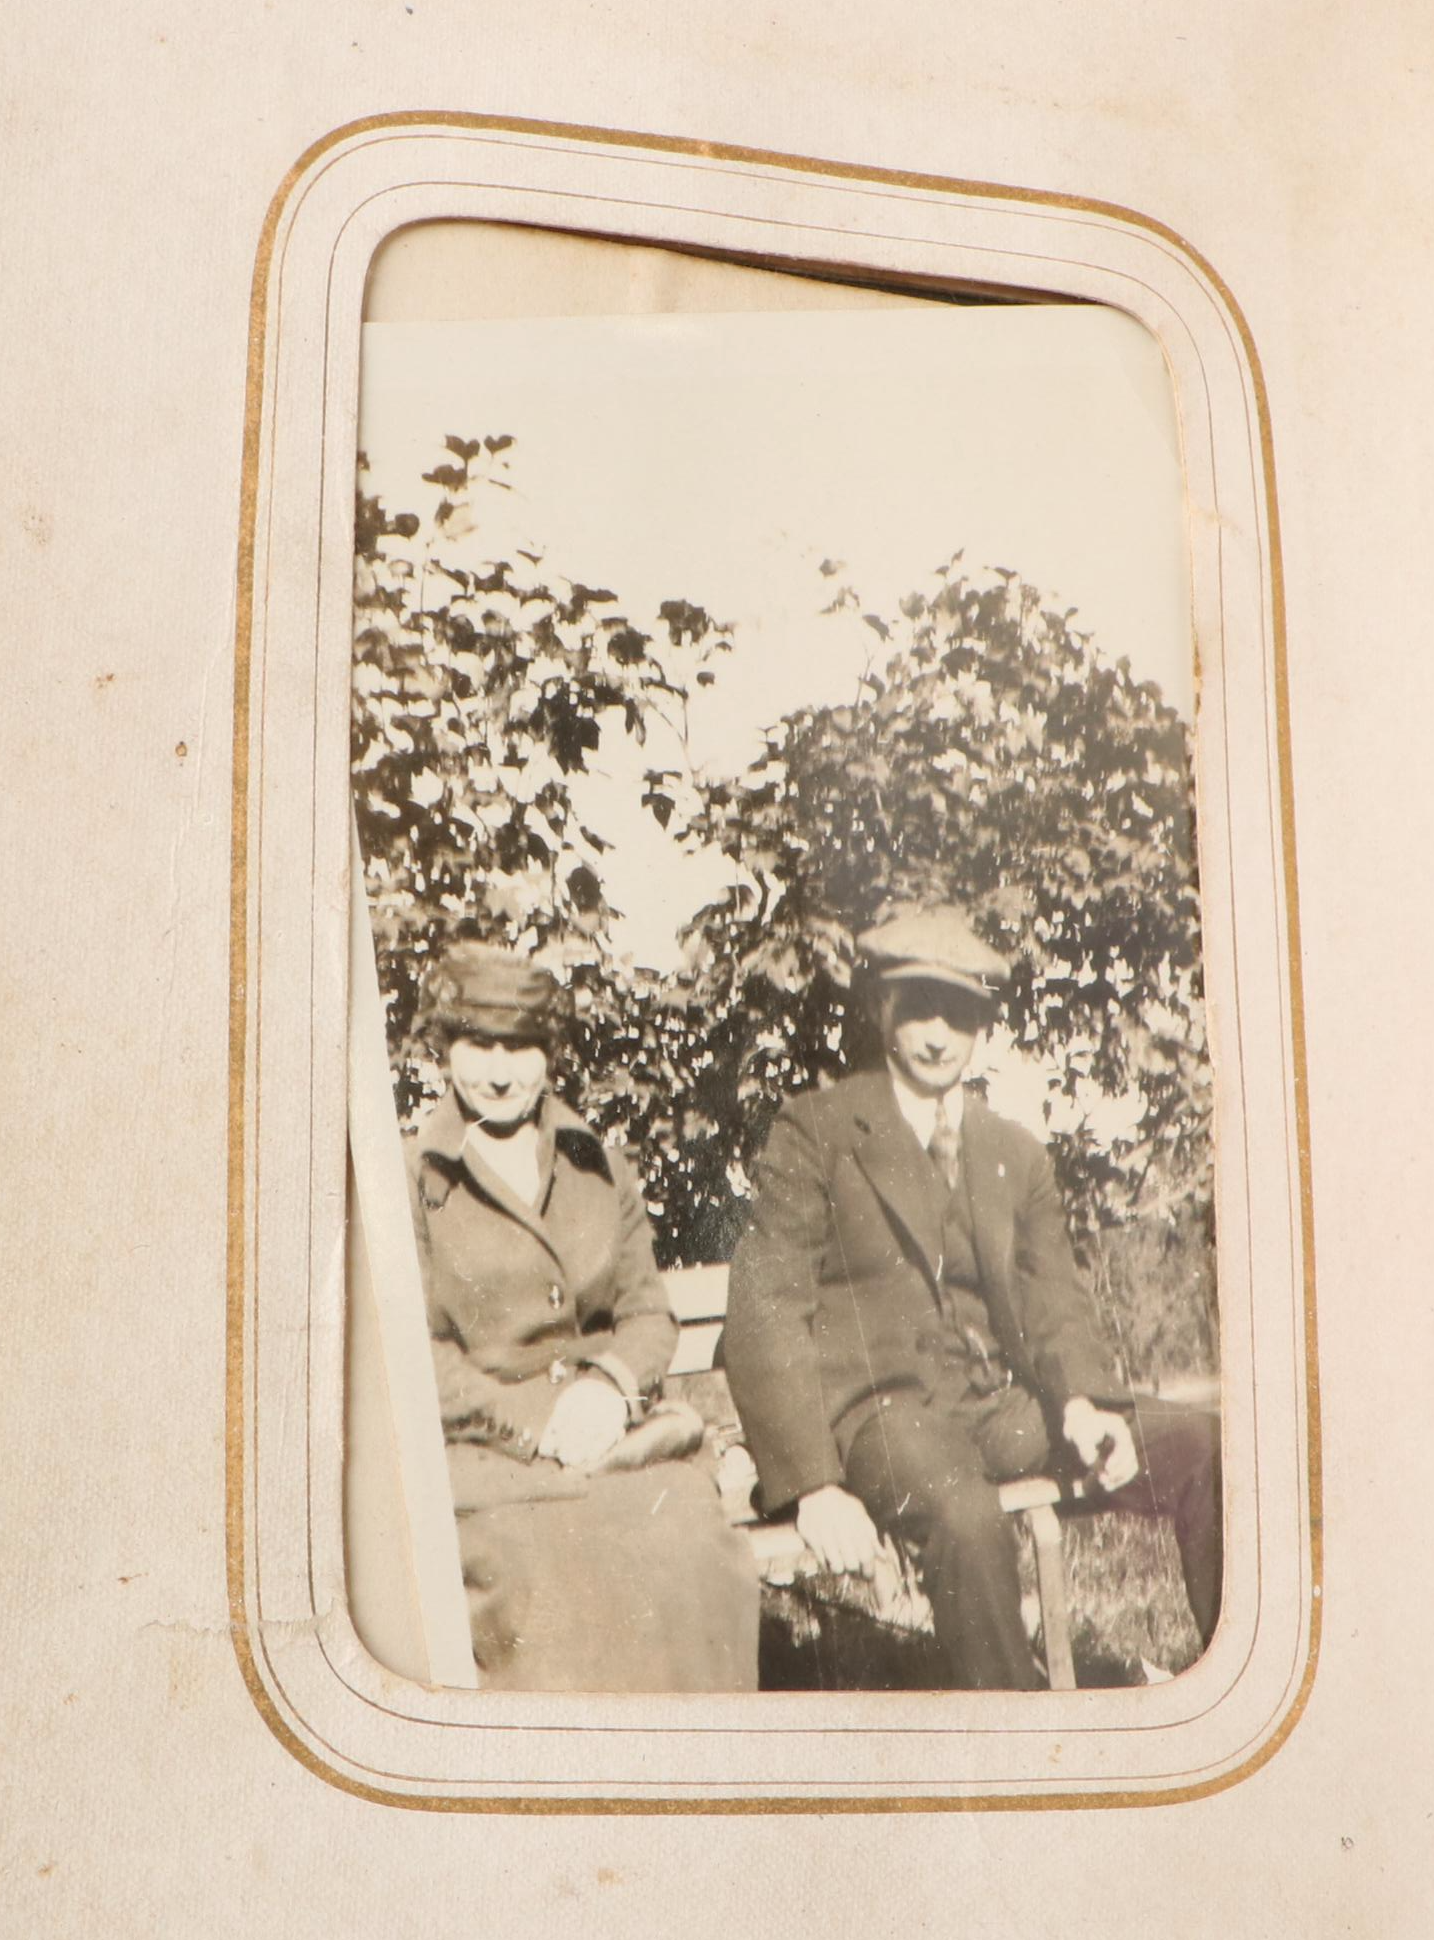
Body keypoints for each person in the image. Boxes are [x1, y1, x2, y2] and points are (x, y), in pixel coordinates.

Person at [723, 903, 1222, 1690]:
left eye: (958, 1013)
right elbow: (763, 1310)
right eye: (916, 1006)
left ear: (984, 1025)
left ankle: (1220, 1702)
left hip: (999, 1406)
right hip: (883, 1417)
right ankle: (1022, 1754)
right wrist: (813, 1484)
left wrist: (1084, 1403)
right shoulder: (817, 1131)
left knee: (1201, 1448)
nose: (935, 1033)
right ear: (881, 1008)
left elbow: (1051, 1293)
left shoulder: (1011, 1153)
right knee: (967, 1518)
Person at [408, 941, 758, 1692]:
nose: (500, 1071)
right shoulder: (415, 1179)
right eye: (478, 1043)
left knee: (689, 1550)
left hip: (617, 1437)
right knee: (549, 1579)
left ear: (550, 1054)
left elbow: (646, 1313)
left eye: (521, 1046)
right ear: (444, 1049)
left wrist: (609, 1387)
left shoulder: (596, 1163)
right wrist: (531, 1424)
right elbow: (416, 1351)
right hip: (488, 1455)